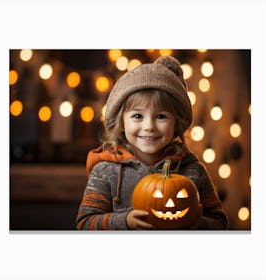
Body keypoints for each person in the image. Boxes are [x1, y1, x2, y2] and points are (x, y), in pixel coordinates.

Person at [76, 55, 229, 230]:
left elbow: (220, 222)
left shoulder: (194, 171)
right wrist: (124, 222)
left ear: (176, 122)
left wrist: (196, 223)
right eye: (137, 116)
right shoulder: (105, 171)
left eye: (161, 116)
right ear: (121, 123)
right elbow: (85, 223)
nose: (149, 126)